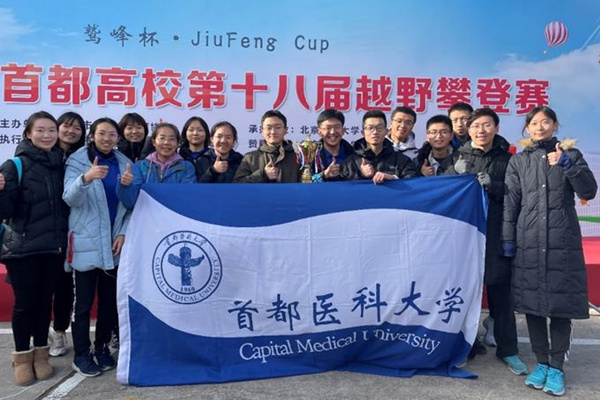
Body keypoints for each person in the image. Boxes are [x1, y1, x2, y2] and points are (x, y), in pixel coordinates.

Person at [502, 106, 597, 396]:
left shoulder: (571, 155)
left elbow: (588, 191)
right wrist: (508, 239)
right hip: (528, 240)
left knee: (560, 306)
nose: (540, 127)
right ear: (527, 128)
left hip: (561, 240)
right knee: (532, 306)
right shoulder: (519, 161)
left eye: (546, 122)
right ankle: (541, 362)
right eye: (534, 123)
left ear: (555, 125)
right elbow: (511, 203)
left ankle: (557, 367)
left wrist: (567, 164)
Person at [446, 108, 526, 373]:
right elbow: (440, 190)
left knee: (501, 293)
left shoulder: (509, 159)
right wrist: (453, 173)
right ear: (468, 130)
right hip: (464, 235)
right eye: (476, 126)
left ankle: (508, 350)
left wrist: (494, 186)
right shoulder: (457, 156)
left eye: (487, 125)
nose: (481, 130)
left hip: (496, 233)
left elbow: (518, 194)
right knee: (465, 294)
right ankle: (465, 347)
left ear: (497, 128)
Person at [0, 111, 68, 385]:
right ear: (28, 133)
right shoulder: (14, 165)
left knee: (44, 303)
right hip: (23, 249)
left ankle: (41, 353)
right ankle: (21, 356)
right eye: (40, 130)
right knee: (25, 305)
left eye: (51, 130)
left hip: (52, 248)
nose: (47, 135)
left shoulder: (60, 165)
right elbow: (5, 211)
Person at [63, 117, 131, 377]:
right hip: (86, 243)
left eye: (112, 134)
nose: (106, 138)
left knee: (108, 303)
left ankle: (102, 348)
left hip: (113, 246)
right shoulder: (77, 161)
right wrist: (85, 178)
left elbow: (129, 207)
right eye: (101, 133)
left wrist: (123, 232)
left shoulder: (124, 163)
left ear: (118, 138)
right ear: (92, 135)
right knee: (82, 305)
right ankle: (81, 354)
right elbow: (69, 198)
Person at [49, 112, 86, 358]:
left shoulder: (83, 157)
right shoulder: (43, 154)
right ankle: (39, 338)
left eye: (77, 128)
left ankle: (59, 330)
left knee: (65, 285)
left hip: (73, 227)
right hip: (46, 228)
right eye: (66, 126)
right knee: (42, 286)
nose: (71, 131)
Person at [117, 122, 196, 209]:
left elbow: (187, 197)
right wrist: (125, 186)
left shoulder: (186, 167)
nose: (166, 142)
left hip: (175, 215)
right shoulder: (140, 166)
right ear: (154, 142)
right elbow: (131, 203)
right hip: (146, 215)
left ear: (178, 143)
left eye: (171, 139)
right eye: (162, 138)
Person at [340, 110, 417, 183]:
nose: (375, 132)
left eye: (379, 128)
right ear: (363, 133)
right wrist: (360, 175)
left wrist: (393, 178)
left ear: (386, 131)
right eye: (370, 128)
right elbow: (341, 187)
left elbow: (414, 183)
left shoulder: (402, 161)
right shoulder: (350, 161)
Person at [233, 110, 301, 183]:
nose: (273, 132)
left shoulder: (298, 156)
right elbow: (237, 184)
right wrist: (263, 174)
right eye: (269, 128)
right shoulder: (250, 158)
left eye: (278, 127)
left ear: (285, 130)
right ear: (262, 130)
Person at [311, 109, 355, 182]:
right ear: (319, 132)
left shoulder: (354, 154)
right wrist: (324, 175)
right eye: (328, 128)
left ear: (343, 130)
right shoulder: (311, 154)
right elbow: (303, 181)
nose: (332, 132)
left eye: (337, 127)